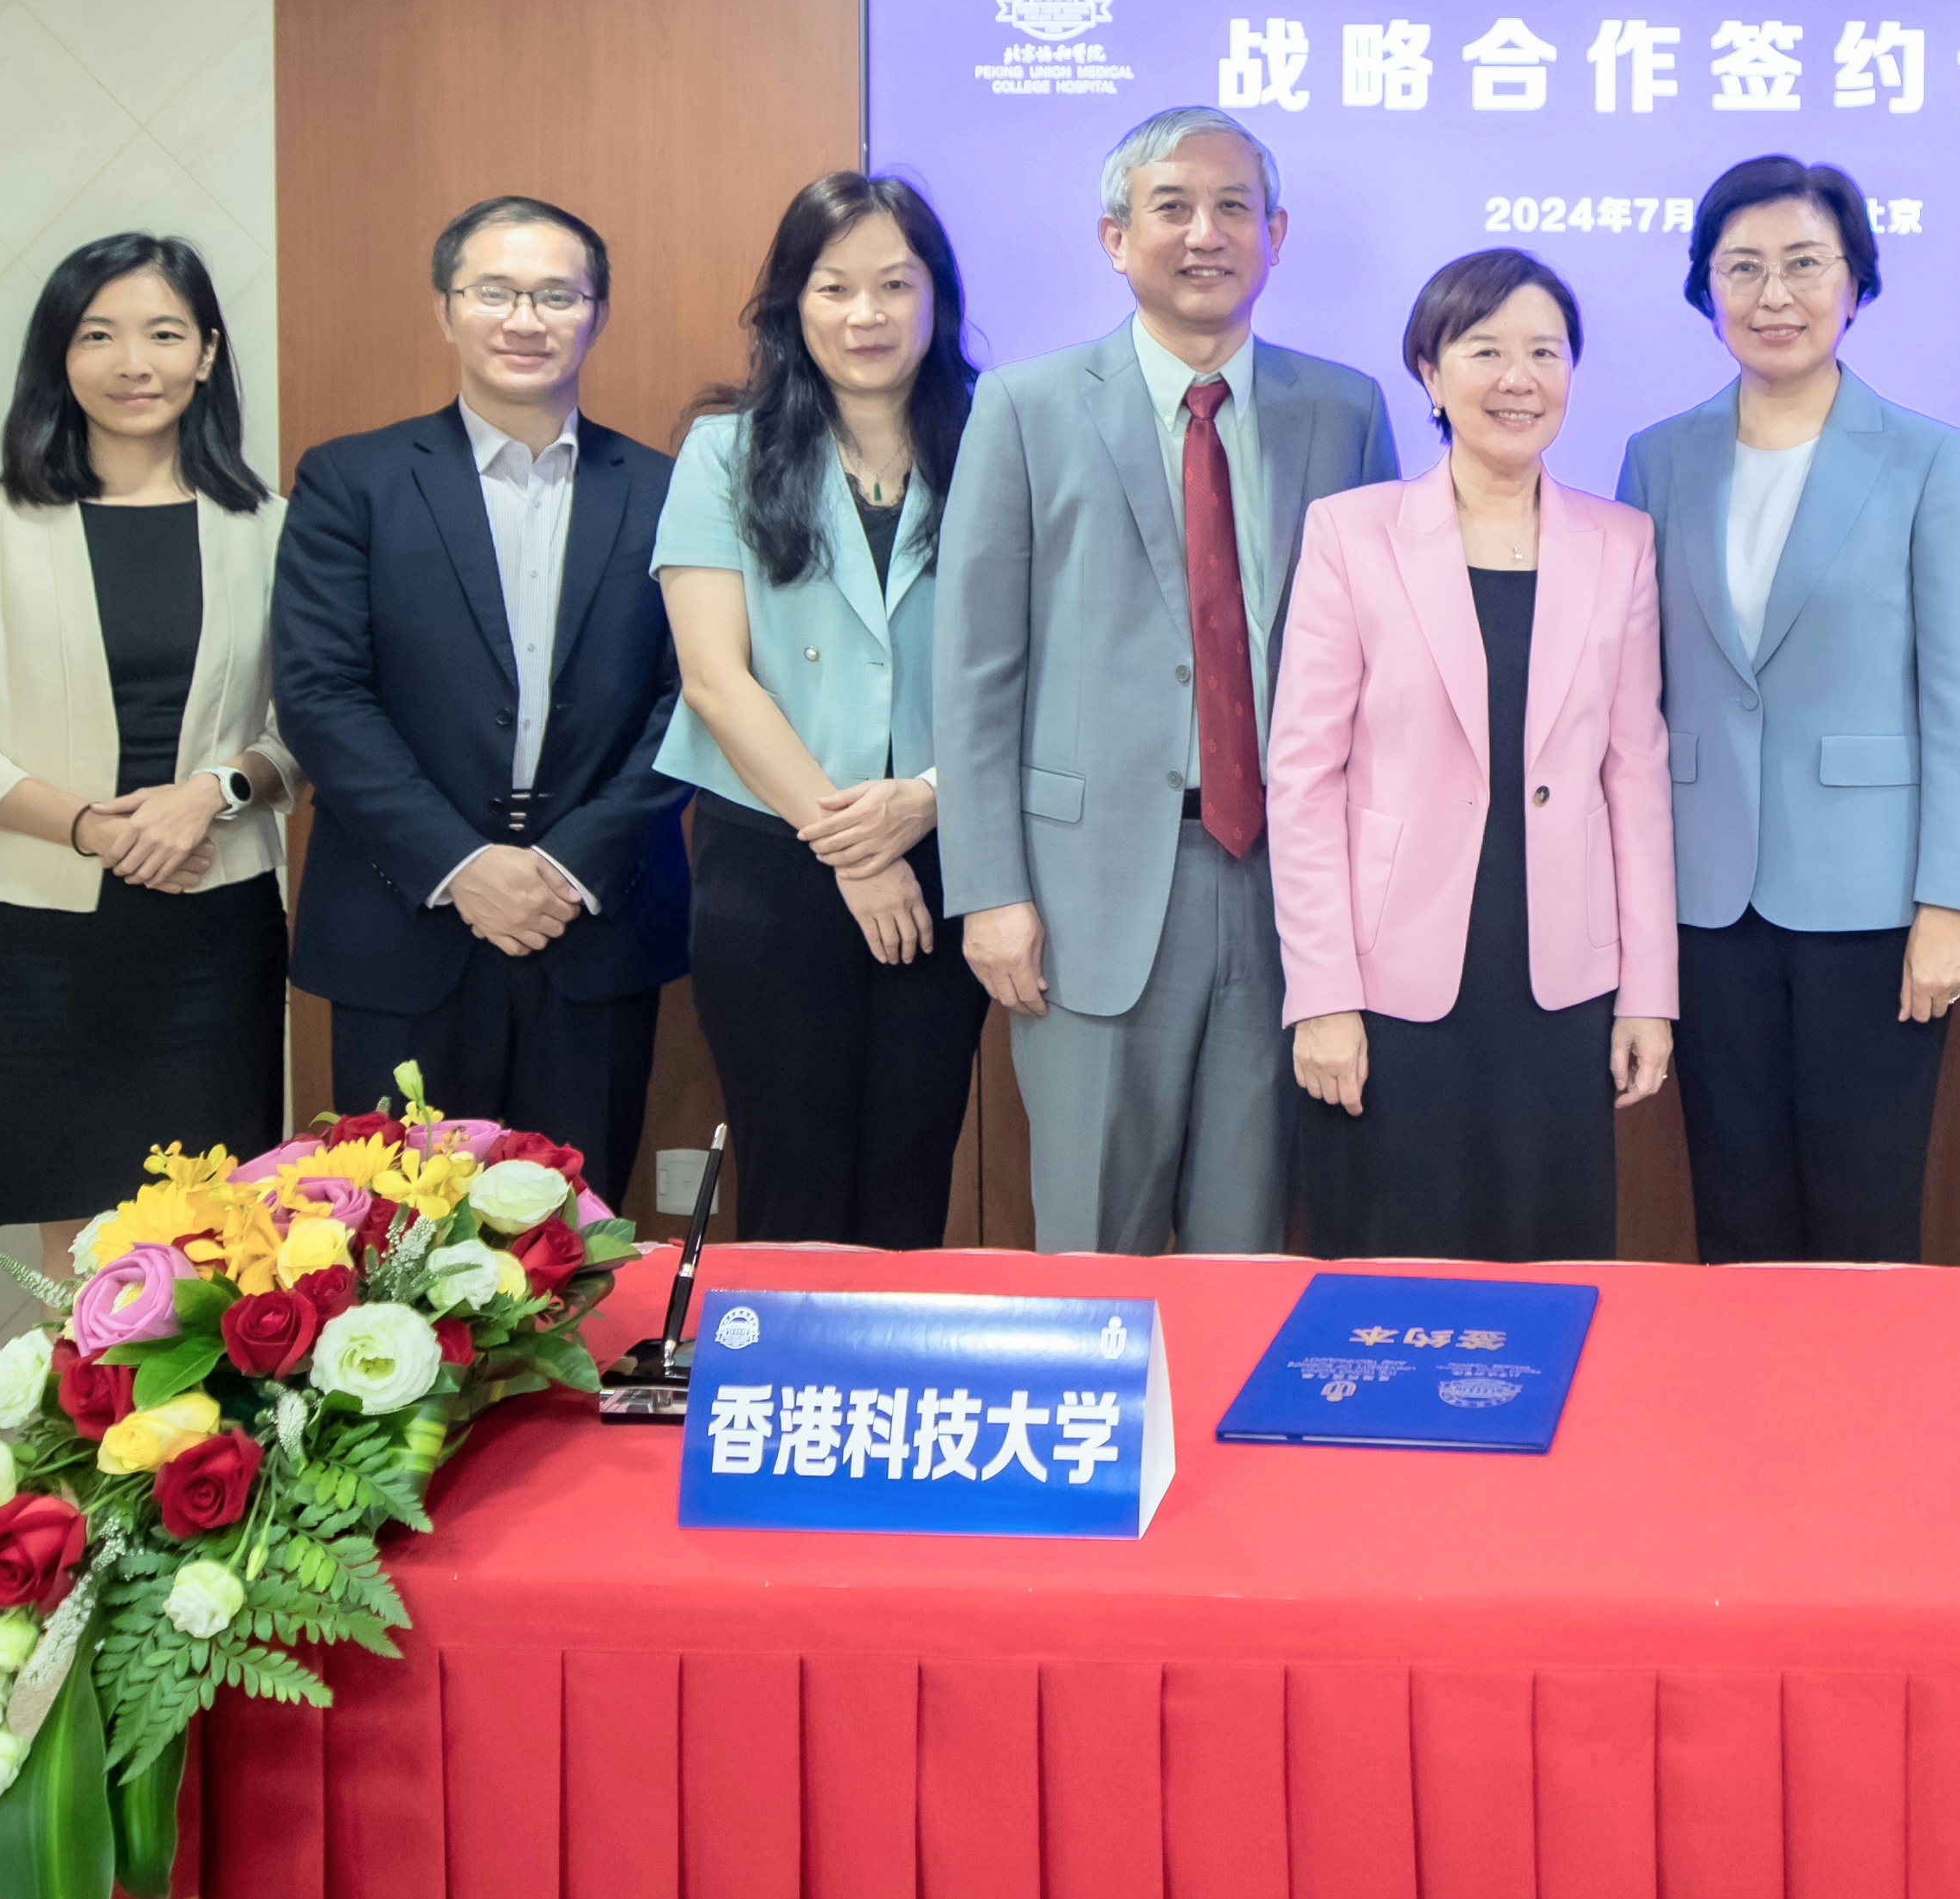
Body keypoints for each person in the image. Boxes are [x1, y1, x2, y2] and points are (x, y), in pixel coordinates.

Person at [936, 108, 1394, 1254]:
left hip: (1280, 884)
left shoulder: (1343, 410)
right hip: (1085, 887)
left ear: (1276, 232)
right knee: (1093, 1230)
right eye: (1171, 207)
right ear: (1114, 236)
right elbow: (978, 667)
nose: (1205, 232)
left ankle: (1221, 1441)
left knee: (1247, 1234)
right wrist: (989, 886)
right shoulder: (1027, 406)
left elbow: (1387, 667)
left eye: (1234, 206)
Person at [1616, 154, 1960, 1261]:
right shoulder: (1659, 455)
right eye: (1741, 268)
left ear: (1855, 284)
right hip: (1704, 893)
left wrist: (1948, 904)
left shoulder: (1928, 456)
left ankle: (1865, 1429)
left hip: (1874, 902)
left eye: (1802, 265)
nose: (1772, 295)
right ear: (1706, 290)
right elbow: (1637, 689)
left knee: (1864, 1206)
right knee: (1731, 1202)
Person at [272, 197, 692, 1204]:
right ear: (445, 309)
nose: (525, 318)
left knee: (577, 1235)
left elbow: (694, 697)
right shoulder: (351, 480)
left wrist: (565, 860)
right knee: (387, 1252)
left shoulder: (668, 488)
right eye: (494, 291)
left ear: (595, 313)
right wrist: (462, 865)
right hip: (401, 920)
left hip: (591, 914)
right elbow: (320, 693)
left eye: (557, 294)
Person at [0, 234, 305, 1238]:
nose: (135, 363)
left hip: (215, 905)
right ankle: (82, 1402)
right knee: (73, 1214)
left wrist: (213, 790)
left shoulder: (271, 524)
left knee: (220, 1222)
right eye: (100, 335)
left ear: (206, 353)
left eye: (164, 333)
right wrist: (96, 827)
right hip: (41, 918)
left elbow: (305, 725)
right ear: (59, 357)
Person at [1268, 251, 1679, 1254]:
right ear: (1428, 371)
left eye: (1544, 351)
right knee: (1389, 1277)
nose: (1517, 377)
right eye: (1484, 349)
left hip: (1558, 986)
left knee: (1552, 1281)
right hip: (1391, 986)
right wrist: (1321, 994)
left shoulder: (1620, 541)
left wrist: (1649, 994)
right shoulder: (1352, 532)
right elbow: (1304, 775)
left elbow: (1635, 775)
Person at [656, 171, 993, 1248]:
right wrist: (853, 847)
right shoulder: (725, 447)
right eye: (833, 285)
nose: (866, 314)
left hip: (951, 851)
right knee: (790, 1168)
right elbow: (714, 677)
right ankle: (793, 1404)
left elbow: (1043, 663)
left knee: (912, 1163)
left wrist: (927, 803)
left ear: (936, 297)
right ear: (791, 302)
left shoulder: (1000, 438)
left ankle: (896, 1404)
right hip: (771, 861)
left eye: (896, 284)